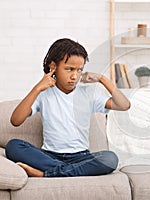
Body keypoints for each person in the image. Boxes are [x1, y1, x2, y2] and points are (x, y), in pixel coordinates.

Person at [5, 38, 130, 177]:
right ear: (53, 67)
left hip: (81, 156)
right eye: (69, 69)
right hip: (49, 156)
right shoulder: (43, 94)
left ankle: (45, 174)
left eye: (79, 70)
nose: (75, 76)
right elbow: (15, 120)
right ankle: (66, 170)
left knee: (110, 159)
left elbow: (124, 105)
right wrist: (37, 88)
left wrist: (102, 79)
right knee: (13, 146)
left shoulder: (88, 93)